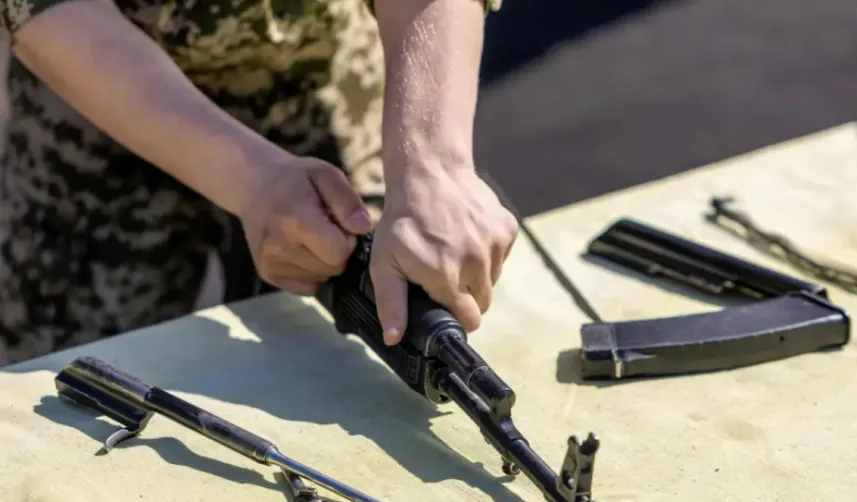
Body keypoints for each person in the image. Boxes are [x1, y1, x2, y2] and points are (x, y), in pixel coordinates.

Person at [0, 0, 519, 366]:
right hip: (99, 115)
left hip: (321, 82)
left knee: (366, 358)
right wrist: (252, 182)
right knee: (67, 388)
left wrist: (432, 162)